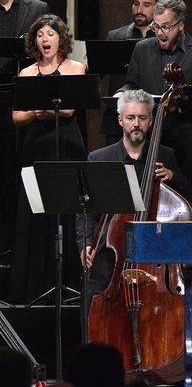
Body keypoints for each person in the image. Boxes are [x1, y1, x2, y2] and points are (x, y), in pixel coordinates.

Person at [77, 89, 192, 309]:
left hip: (155, 252)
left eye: (142, 118)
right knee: (92, 296)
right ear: (120, 121)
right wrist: (85, 245)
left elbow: (186, 202)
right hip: (111, 252)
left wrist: (173, 176)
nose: (136, 124)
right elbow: (87, 211)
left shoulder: (166, 155)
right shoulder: (100, 159)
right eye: (130, 118)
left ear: (151, 121)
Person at [8, 14, 87, 304]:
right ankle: (34, 286)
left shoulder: (76, 68)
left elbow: (68, 111)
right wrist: (37, 113)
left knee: (66, 210)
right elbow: (17, 117)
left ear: (60, 38)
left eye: (50, 34)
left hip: (67, 145)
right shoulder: (26, 73)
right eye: (40, 34)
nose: (45, 39)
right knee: (35, 213)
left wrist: (39, 110)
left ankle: (68, 285)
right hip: (36, 147)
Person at [118, 0, 192, 184]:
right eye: (155, 26)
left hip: (185, 138)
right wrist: (122, 92)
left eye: (166, 26)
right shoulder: (142, 48)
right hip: (150, 136)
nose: (160, 33)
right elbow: (132, 84)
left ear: (181, 25)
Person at [100, 0, 165, 145]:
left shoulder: (162, 39)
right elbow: (96, 73)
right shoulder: (115, 37)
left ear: (157, 7)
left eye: (146, 5)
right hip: (119, 120)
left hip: (152, 118)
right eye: (136, 4)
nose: (139, 10)